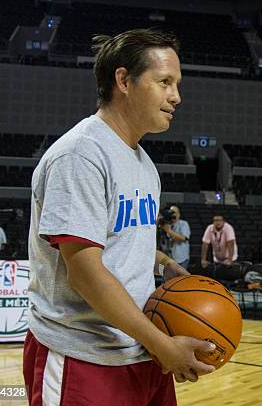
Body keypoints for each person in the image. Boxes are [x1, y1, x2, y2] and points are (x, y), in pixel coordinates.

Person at [24, 29, 215, 406]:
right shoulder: (81, 155)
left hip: (140, 352)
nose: (176, 96)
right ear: (124, 80)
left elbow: (119, 241)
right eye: (165, 82)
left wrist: (162, 265)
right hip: (84, 355)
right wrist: (163, 345)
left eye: (176, 84)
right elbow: (84, 270)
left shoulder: (144, 164)